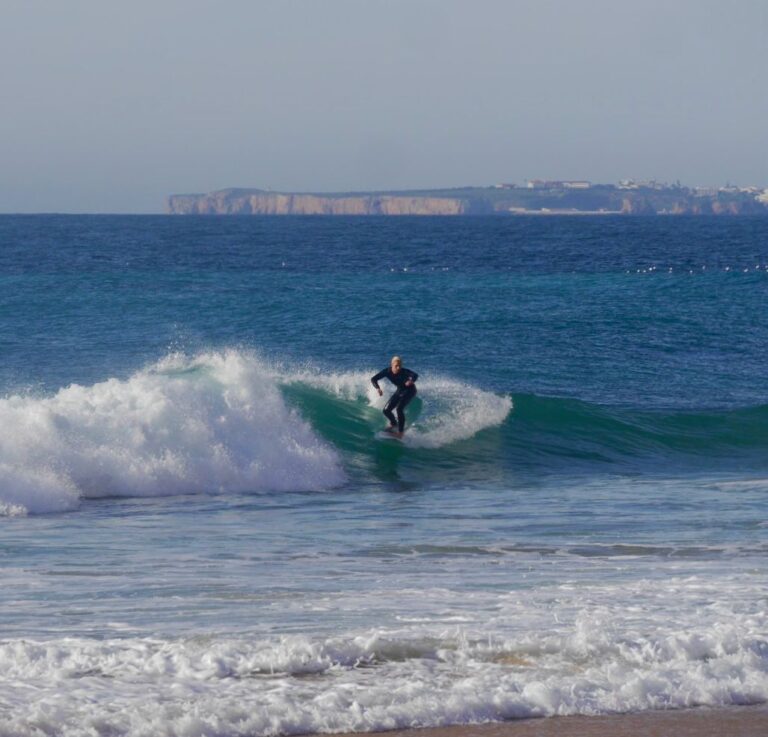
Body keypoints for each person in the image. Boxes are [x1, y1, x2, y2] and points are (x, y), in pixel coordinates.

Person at [371, 356, 418, 437]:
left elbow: (415, 375)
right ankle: (394, 423)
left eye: (400, 365)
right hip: (400, 390)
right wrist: (378, 388)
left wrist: (411, 381)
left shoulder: (404, 371)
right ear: (392, 365)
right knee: (386, 410)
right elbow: (373, 379)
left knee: (399, 409)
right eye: (396, 365)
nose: (398, 367)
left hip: (410, 390)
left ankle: (400, 433)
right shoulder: (387, 371)